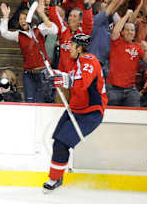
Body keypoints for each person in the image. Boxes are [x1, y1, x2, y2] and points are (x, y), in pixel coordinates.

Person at [43, 33, 107, 192]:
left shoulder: (88, 60)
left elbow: (82, 82)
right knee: (58, 141)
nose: (69, 47)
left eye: (72, 45)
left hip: (90, 112)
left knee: (61, 143)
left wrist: (64, 81)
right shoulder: (78, 61)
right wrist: (57, 75)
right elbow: (73, 76)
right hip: (77, 108)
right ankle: (57, 177)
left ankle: (55, 179)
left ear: (80, 48)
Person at [0, 0, 57, 103]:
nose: (22, 21)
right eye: (20, 19)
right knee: (29, 100)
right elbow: (4, 33)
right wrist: (5, 17)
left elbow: (54, 30)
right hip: (28, 74)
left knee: (42, 101)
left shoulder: (39, 30)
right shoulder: (18, 34)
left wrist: (42, 14)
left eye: (24, 18)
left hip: (43, 73)